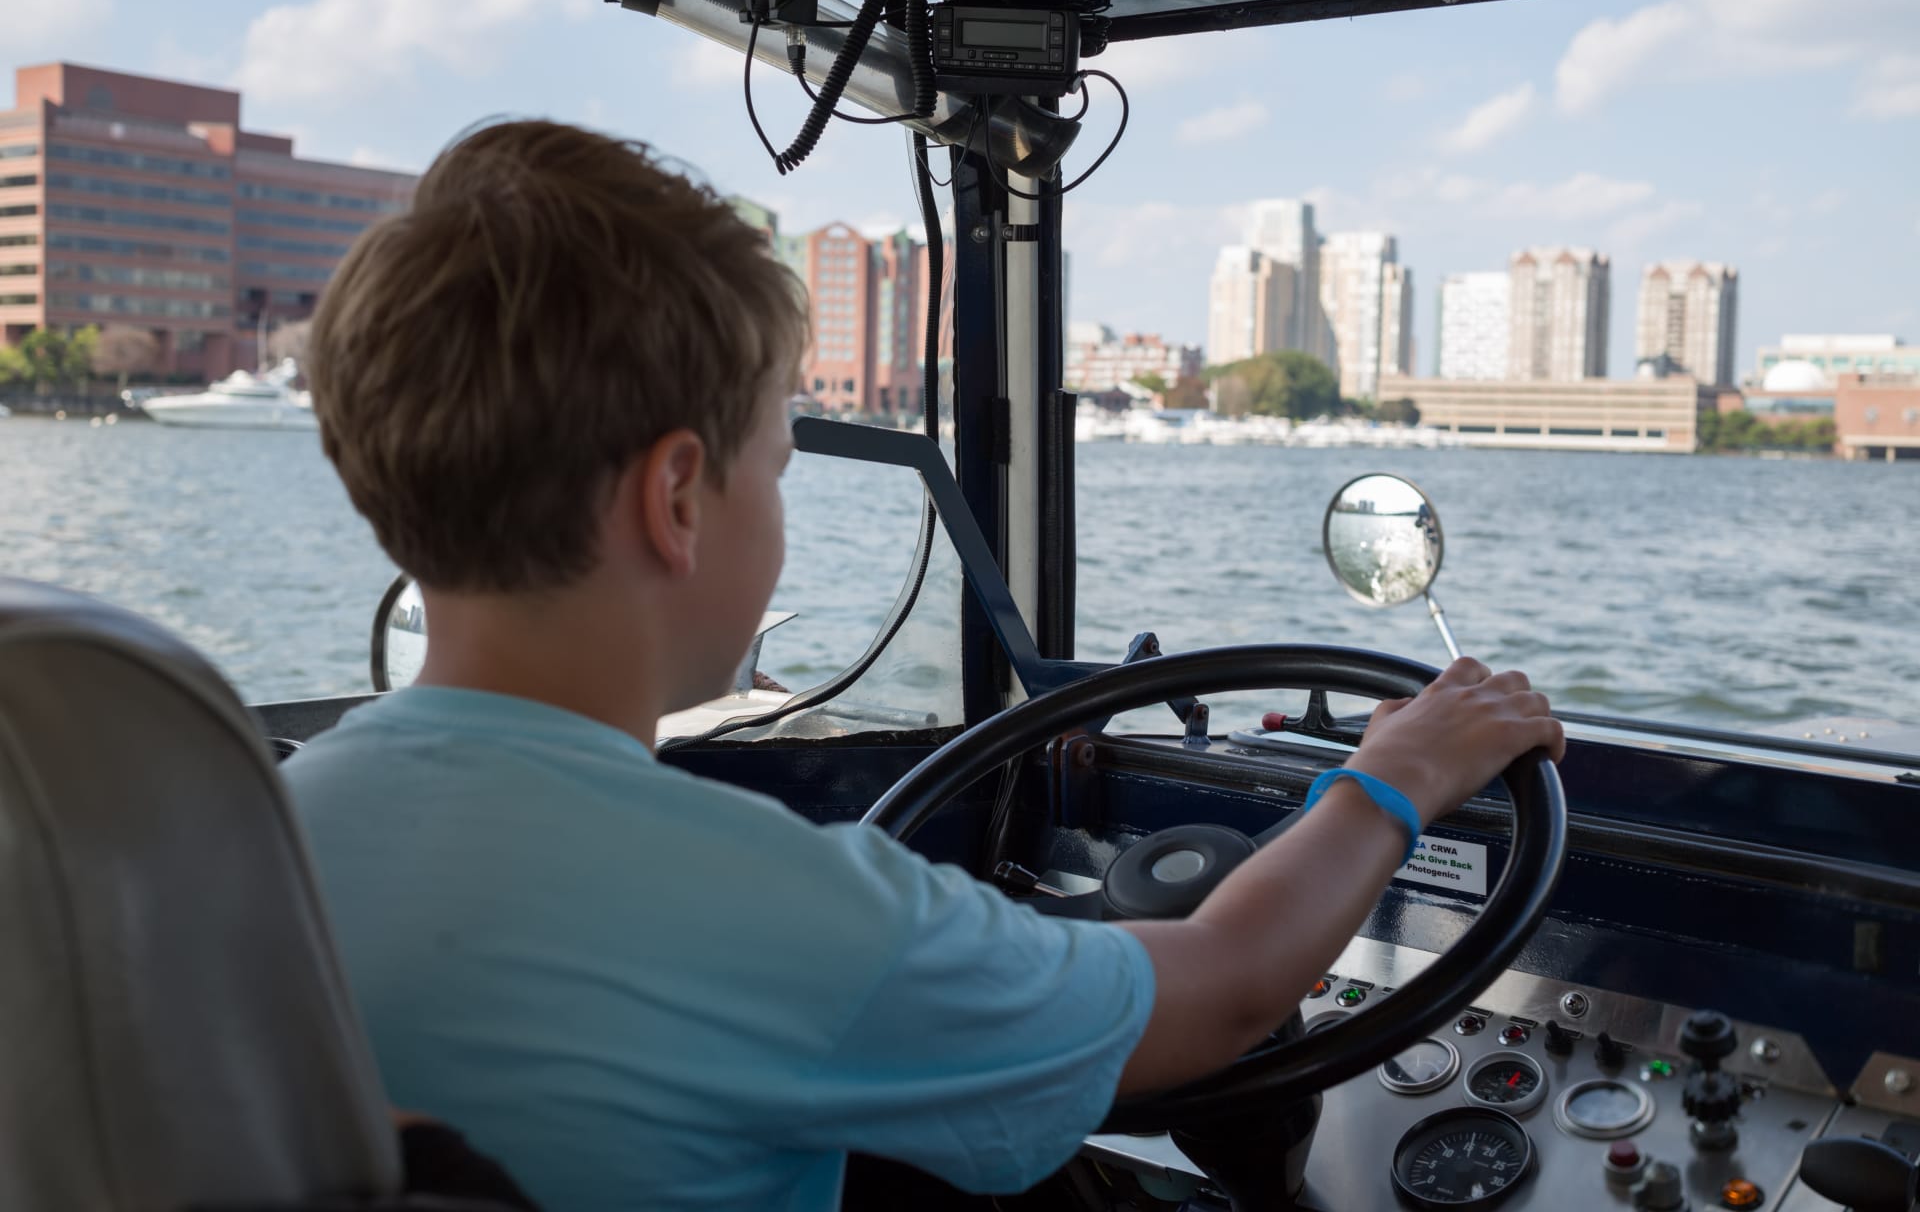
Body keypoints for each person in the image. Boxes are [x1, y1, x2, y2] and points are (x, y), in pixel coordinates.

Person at [285, 120, 1564, 1212]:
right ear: (677, 496)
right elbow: (1226, 992)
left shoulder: (261, 825)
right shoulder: (776, 908)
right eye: (775, 467)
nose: (780, 512)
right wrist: (1395, 773)